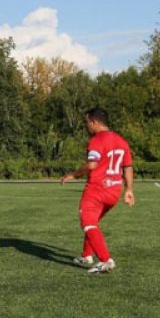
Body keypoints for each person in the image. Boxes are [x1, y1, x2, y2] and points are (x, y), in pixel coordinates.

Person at [60, 107, 135, 273]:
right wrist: (129, 189)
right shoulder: (122, 141)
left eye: (87, 122)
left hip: (97, 189)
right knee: (92, 223)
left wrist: (74, 174)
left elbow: (92, 164)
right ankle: (87, 255)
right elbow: (128, 167)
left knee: (87, 222)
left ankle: (106, 260)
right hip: (114, 191)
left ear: (94, 122)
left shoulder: (97, 140)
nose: (86, 126)